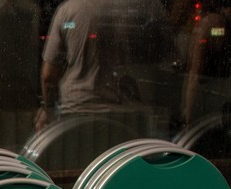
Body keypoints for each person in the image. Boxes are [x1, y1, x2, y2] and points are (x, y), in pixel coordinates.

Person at [34, 0, 171, 131]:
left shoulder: (69, 9)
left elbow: (48, 76)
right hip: (130, 117)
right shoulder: (148, 6)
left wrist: (48, 111)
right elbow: (169, 60)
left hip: (77, 111)